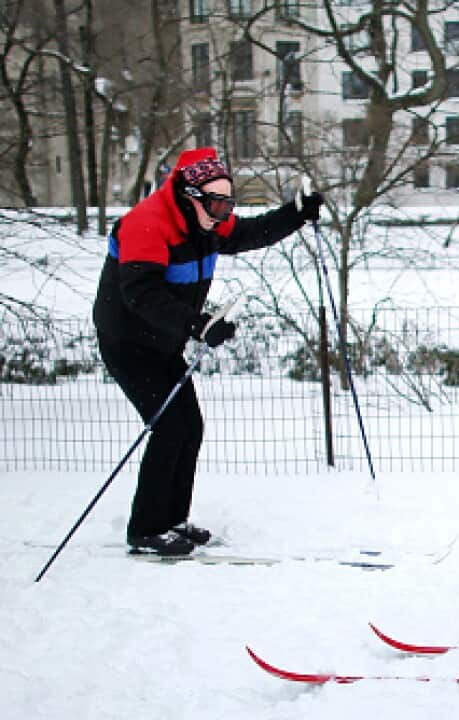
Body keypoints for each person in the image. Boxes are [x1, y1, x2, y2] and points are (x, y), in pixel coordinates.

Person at [93, 147, 322, 556]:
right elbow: (142, 295)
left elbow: (250, 233)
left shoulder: (207, 221)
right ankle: (145, 529)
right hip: (128, 343)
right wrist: (197, 325)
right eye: (216, 204)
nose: (222, 213)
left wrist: (297, 213)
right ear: (188, 195)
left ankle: (172, 521)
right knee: (169, 428)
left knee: (189, 426)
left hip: (163, 340)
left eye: (227, 203)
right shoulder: (146, 225)